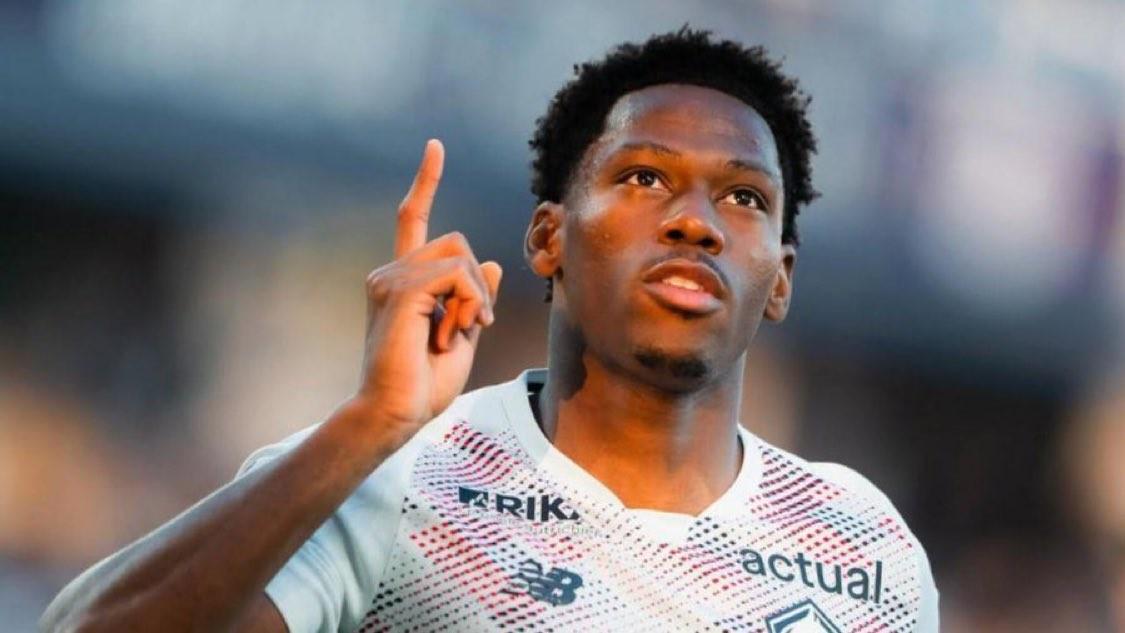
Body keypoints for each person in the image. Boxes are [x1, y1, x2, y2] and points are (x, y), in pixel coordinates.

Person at [41, 28, 938, 632]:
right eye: (642, 178)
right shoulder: (397, 480)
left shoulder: (862, 547)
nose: (695, 222)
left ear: (780, 279)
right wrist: (370, 421)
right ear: (548, 238)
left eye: (742, 197)